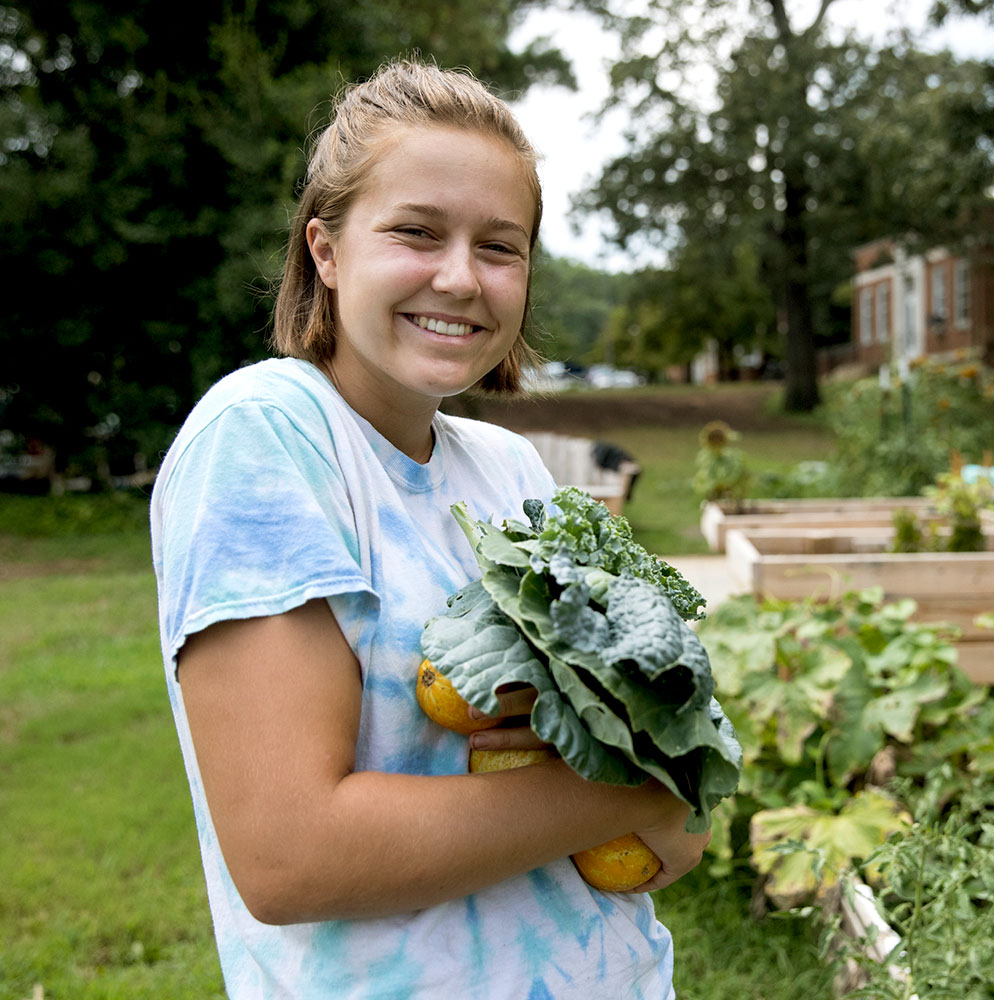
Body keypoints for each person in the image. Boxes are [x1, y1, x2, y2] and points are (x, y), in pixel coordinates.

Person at [149, 58, 708, 999]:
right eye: (416, 232)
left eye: (500, 248)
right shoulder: (266, 436)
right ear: (325, 250)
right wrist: (622, 786)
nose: (460, 278)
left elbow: (679, 835)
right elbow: (293, 856)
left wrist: (650, 792)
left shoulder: (510, 473)